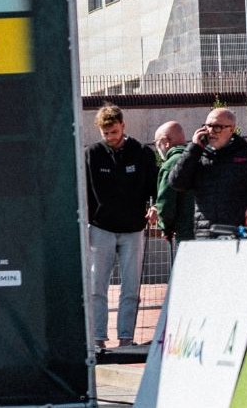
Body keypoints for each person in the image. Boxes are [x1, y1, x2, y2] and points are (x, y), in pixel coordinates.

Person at [83, 103, 157, 348]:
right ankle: (98, 338)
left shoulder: (142, 153)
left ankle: (126, 338)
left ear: (123, 126)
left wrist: (154, 206)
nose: (110, 138)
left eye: (114, 132)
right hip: (100, 227)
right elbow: (83, 191)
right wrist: (85, 223)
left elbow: (153, 187)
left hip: (133, 228)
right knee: (97, 286)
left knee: (131, 286)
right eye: (105, 133)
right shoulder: (92, 153)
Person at [171, 108, 247, 233]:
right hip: (206, 234)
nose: (211, 131)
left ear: (231, 129)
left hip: (242, 234)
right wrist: (193, 149)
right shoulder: (197, 157)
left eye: (217, 127)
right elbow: (177, 182)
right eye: (207, 126)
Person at [153, 121, 196, 245]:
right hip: (209, 230)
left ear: (166, 141)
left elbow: (166, 202)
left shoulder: (171, 164)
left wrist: (166, 228)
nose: (157, 148)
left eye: (157, 143)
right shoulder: (199, 157)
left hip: (186, 233)